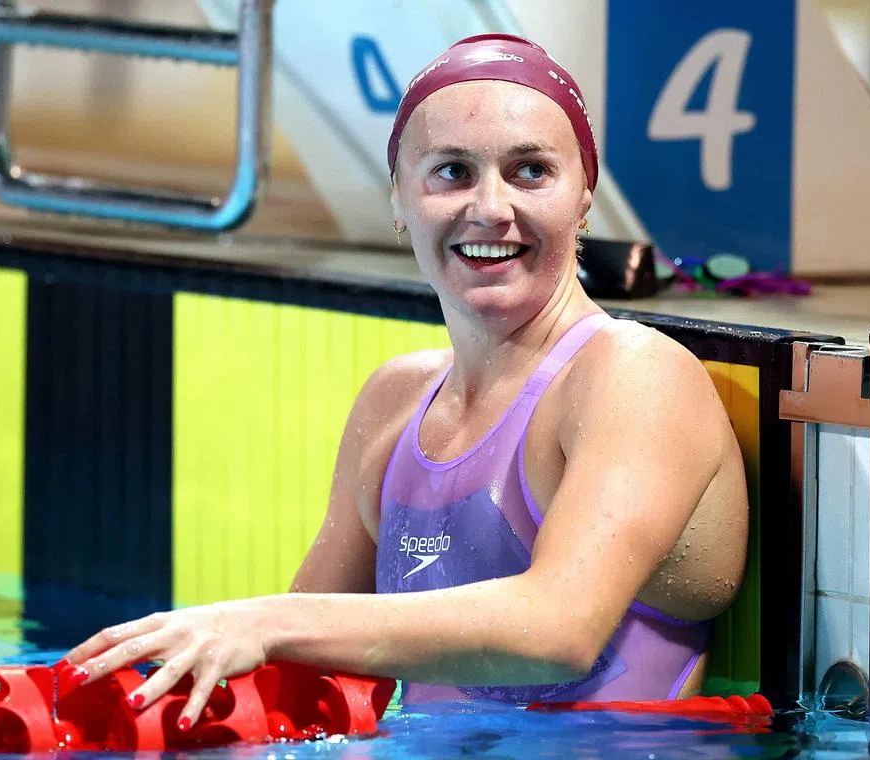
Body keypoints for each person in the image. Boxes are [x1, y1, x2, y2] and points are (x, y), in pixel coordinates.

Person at [57, 33, 749, 730]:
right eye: (451, 172)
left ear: (584, 196)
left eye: (531, 171)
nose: (492, 208)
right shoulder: (396, 401)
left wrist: (265, 618)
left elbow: (558, 630)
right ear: (399, 199)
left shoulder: (633, 376)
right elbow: (295, 680)